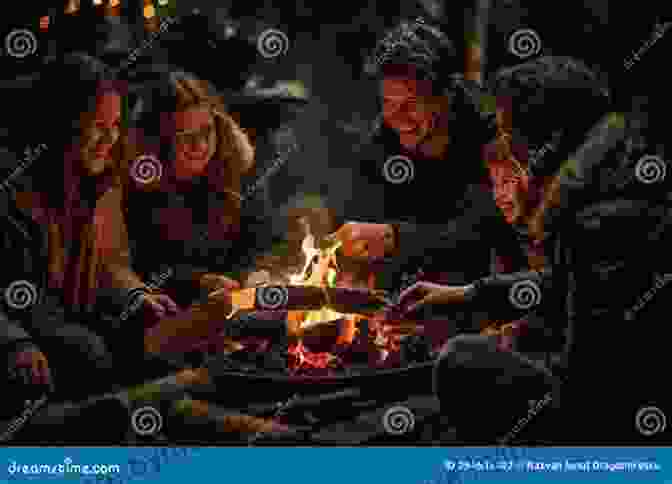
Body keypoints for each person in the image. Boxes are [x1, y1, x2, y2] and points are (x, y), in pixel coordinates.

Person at [398, 57, 671, 444]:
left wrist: (515, 340)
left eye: (510, 132)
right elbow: (563, 284)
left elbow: (590, 379)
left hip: (618, 426)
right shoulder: (614, 185)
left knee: (461, 360)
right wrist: (464, 296)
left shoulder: (597, 220)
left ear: (548, 139)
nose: (506, 146)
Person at [329, 18, 524, 345]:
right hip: (417, 301)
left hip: (499, 301)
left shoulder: (492, 132)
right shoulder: (381, 144)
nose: (397, 118)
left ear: (446, 95)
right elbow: (362, 214)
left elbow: (490, 227)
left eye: (411, 105)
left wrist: (396, 237)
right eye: (388, 104)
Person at [2, 53, 175, 403]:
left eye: (115, 127)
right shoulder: (13, 191)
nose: (108, 140)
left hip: (71, 322)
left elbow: (111, 265)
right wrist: (14, 342)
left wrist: (136, 297)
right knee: (87, 352)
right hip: (24, 334)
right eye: (97, 126)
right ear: (60, 123)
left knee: (156, 338)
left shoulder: (99, 186)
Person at [124, 68, 277, 325]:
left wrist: (251, 275)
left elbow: (262, 244)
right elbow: (140, 266)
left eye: (207, 132)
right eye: (186, 137)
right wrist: (198, 283)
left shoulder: (237, 173)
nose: (201, 147)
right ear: (158, 140)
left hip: (241, 307)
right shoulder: (137, 190)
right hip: (168, 315)